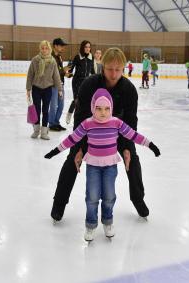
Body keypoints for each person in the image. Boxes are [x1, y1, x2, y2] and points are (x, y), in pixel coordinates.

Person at [50, 47, 152, 222]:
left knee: (132, 160)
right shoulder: (89, 84)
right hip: (90, 132)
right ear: (102, 67)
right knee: (73, 158)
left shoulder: (129, 89)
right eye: (110, 69)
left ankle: (138, 199)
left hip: (118, 132)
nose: (113, 74)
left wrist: (127, 147)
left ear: (123, 69)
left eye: (118, 70)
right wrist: (81, 147)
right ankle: (59, 204)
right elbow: (80, 118)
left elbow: (131, 122)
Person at [45, 88, 160, 241]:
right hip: (93, 166)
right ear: (93, 107)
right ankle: (91, 225)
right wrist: (55, 151)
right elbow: (72, 139)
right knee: (92, 197)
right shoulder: (88, 124)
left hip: (110, 167)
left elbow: (134, 135)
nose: (103, 113)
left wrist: (151, 146)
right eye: (98, 109)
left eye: (106, 109)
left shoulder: (116, 123)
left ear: (111, 108)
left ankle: (108, 222)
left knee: (109, 196)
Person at [26, 40, 62, 140]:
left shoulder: (52, 61)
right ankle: (36, 130)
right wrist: (28, 89)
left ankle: (44, 132)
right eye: (42, 48)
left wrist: (59, 89)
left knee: (45, 110)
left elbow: (56, 76)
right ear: (40, 48)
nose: (44, 50)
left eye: (46, 48)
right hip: (36, 88)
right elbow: (30, 75)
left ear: (49, 49)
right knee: (37, 110)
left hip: (48, 89)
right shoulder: (35, 60)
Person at [65, 40, 95, 124]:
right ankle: (70, 114)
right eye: (86, 47)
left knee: (86, 101)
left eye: (89, 47)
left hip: (86, 82)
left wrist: (96, 78)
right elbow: (71, 69)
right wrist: (68, 70)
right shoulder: (77, 57)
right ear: (82, 47)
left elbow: (92, 70)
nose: (88, 48)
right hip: (77, 81)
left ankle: (83, 119)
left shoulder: (91, 57)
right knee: (76, 100)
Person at [49, 37, 70, 132]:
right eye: (61, 46)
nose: (63, 48)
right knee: (53, 105)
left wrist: (66, 73)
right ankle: (52, 123)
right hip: (53, 85)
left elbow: (60, 71)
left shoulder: (59, 57)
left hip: (61, 84)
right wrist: (63, 70)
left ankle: (56, 122)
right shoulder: (50, 57)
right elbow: (52, 72)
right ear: (55, 46)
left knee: (61, 105)